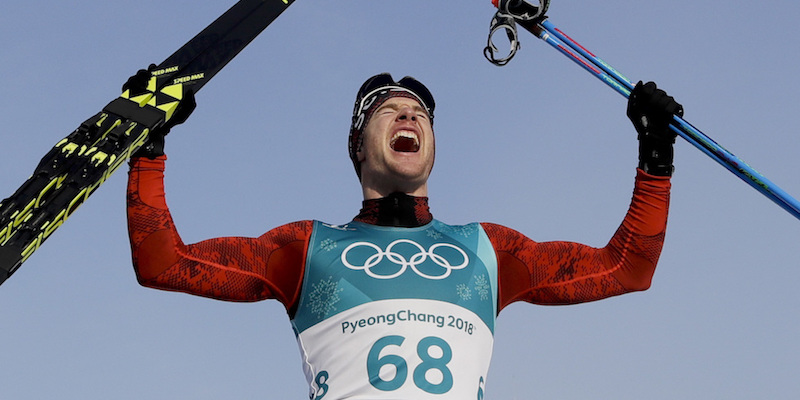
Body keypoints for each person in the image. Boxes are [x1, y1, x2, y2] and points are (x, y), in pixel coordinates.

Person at [126, 71, 681, 399]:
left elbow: (626, 269)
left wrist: (656, 158)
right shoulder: (304, 247)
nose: (407, 114)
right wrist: (148, 149)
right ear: (359, 147)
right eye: (387, 110)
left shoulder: (487, 249)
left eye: (418, 112)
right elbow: (163, 263)